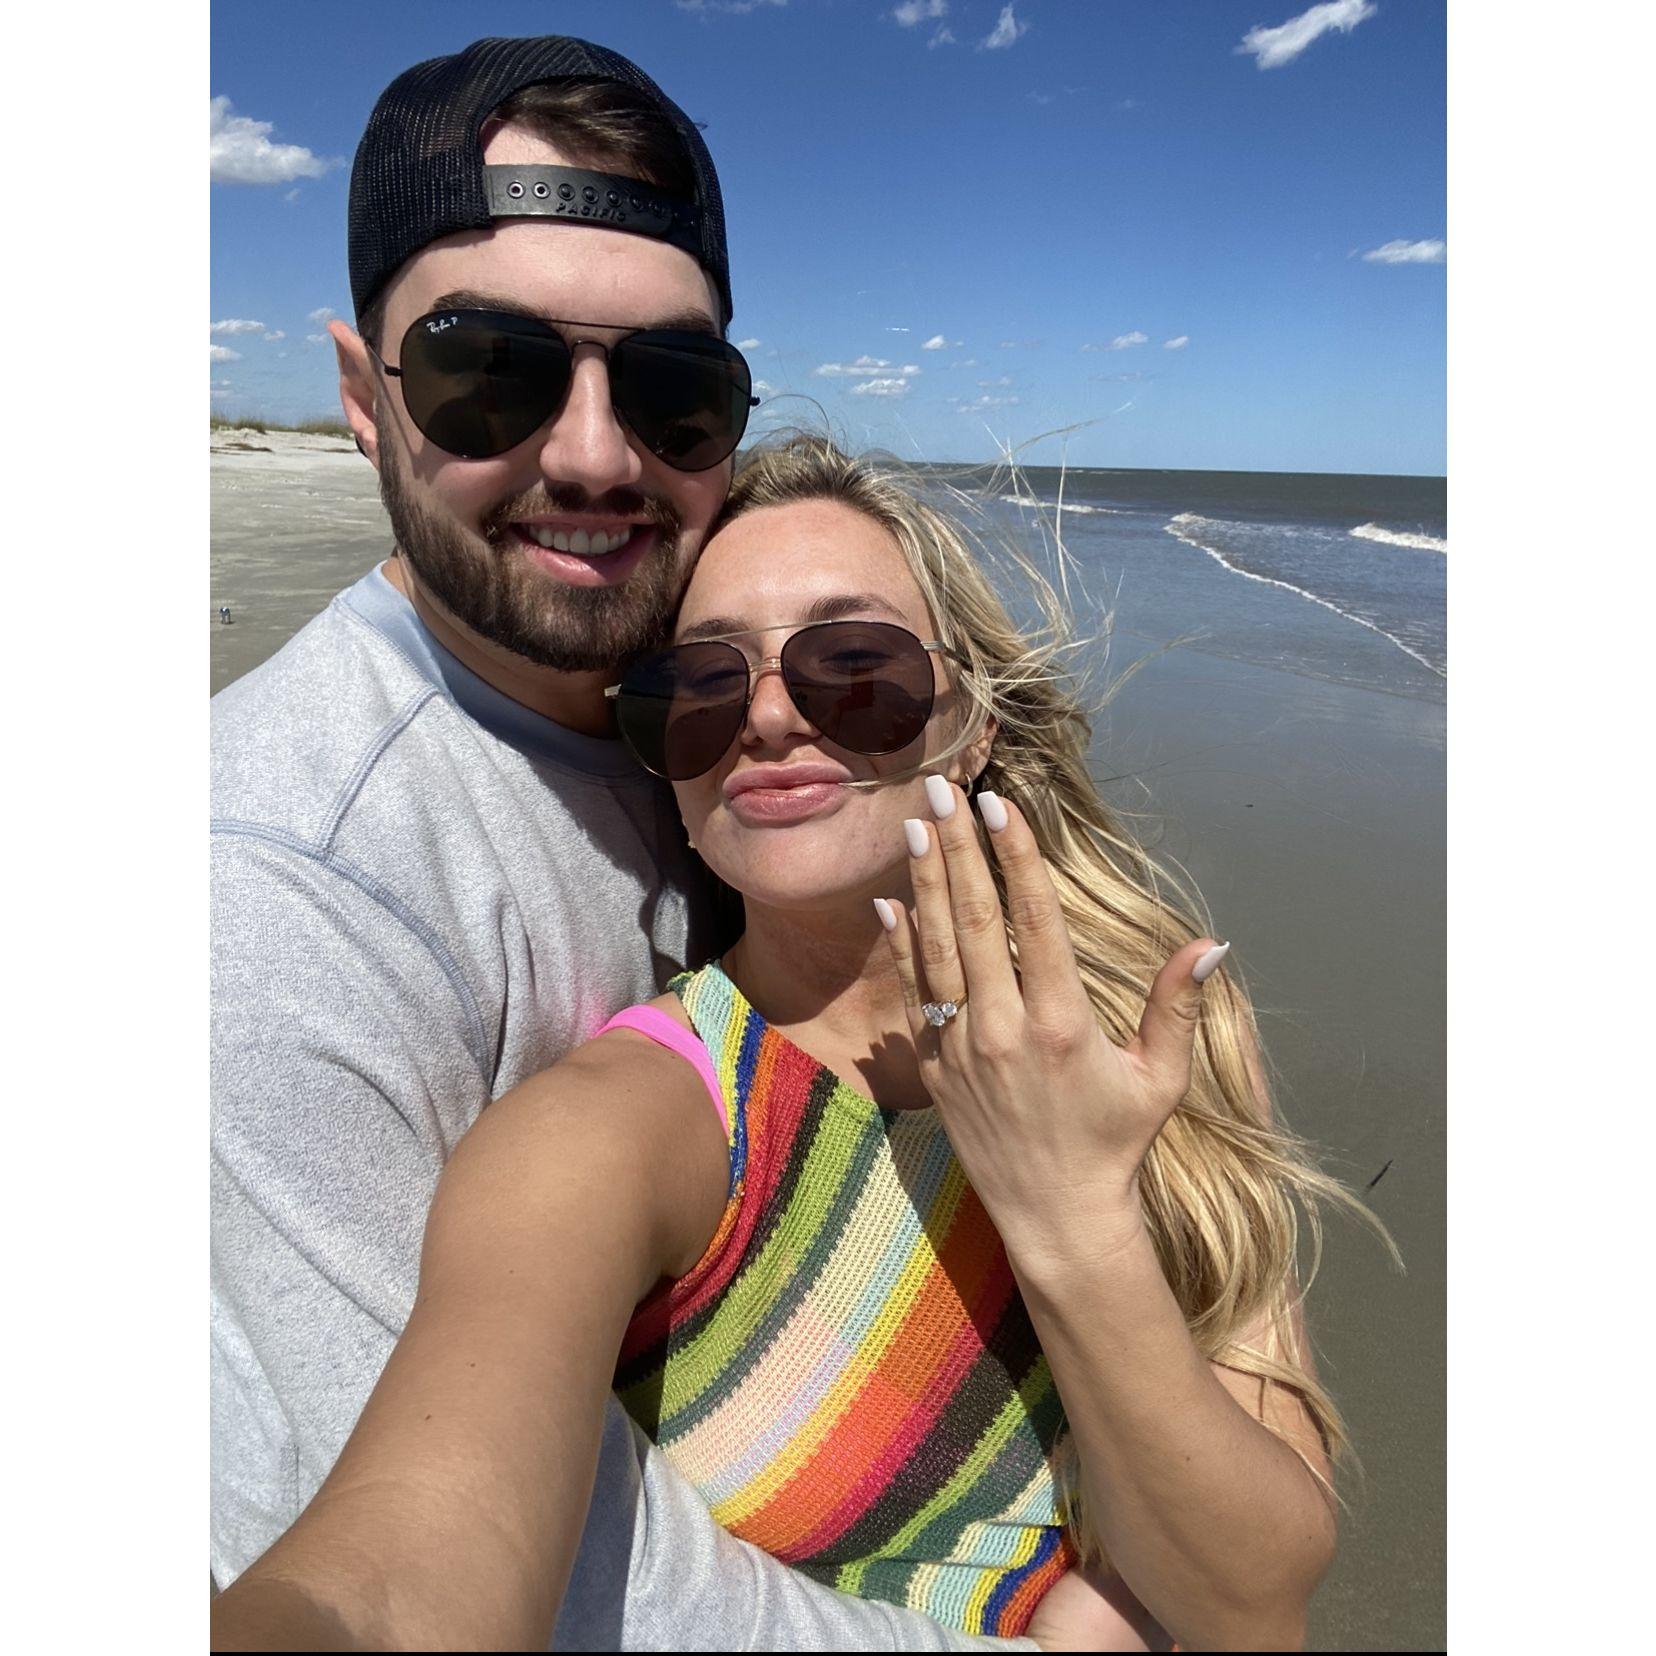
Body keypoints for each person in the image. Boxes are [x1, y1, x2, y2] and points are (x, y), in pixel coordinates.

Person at [213, 436, 1383, 1652]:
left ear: (972, 723)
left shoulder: (1151, 1029)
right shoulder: (627, 1127)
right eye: (701, 685)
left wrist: (1073, 1216)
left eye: (855, 667)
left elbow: (1253, 1603)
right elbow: (413, 1560)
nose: (768, 716)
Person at [212, 35, 1028, 1652]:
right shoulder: (278, 891)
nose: (595, 455)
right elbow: (483, 1563)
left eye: (670, 390)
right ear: (364, 400)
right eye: (488, 371)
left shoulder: (709, 697)